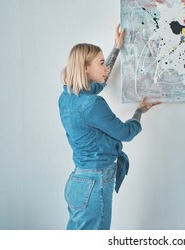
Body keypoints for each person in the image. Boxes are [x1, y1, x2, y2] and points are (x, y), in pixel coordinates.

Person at [59, 24, 161, 230]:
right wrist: (139, 111)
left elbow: (100, 82)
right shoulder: (92, 104)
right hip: (95, 183)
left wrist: (116, 48)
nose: (106, 69)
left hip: (78, 182)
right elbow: (125, 133)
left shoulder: (67, 97)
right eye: (101, 63)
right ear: (87, 68)